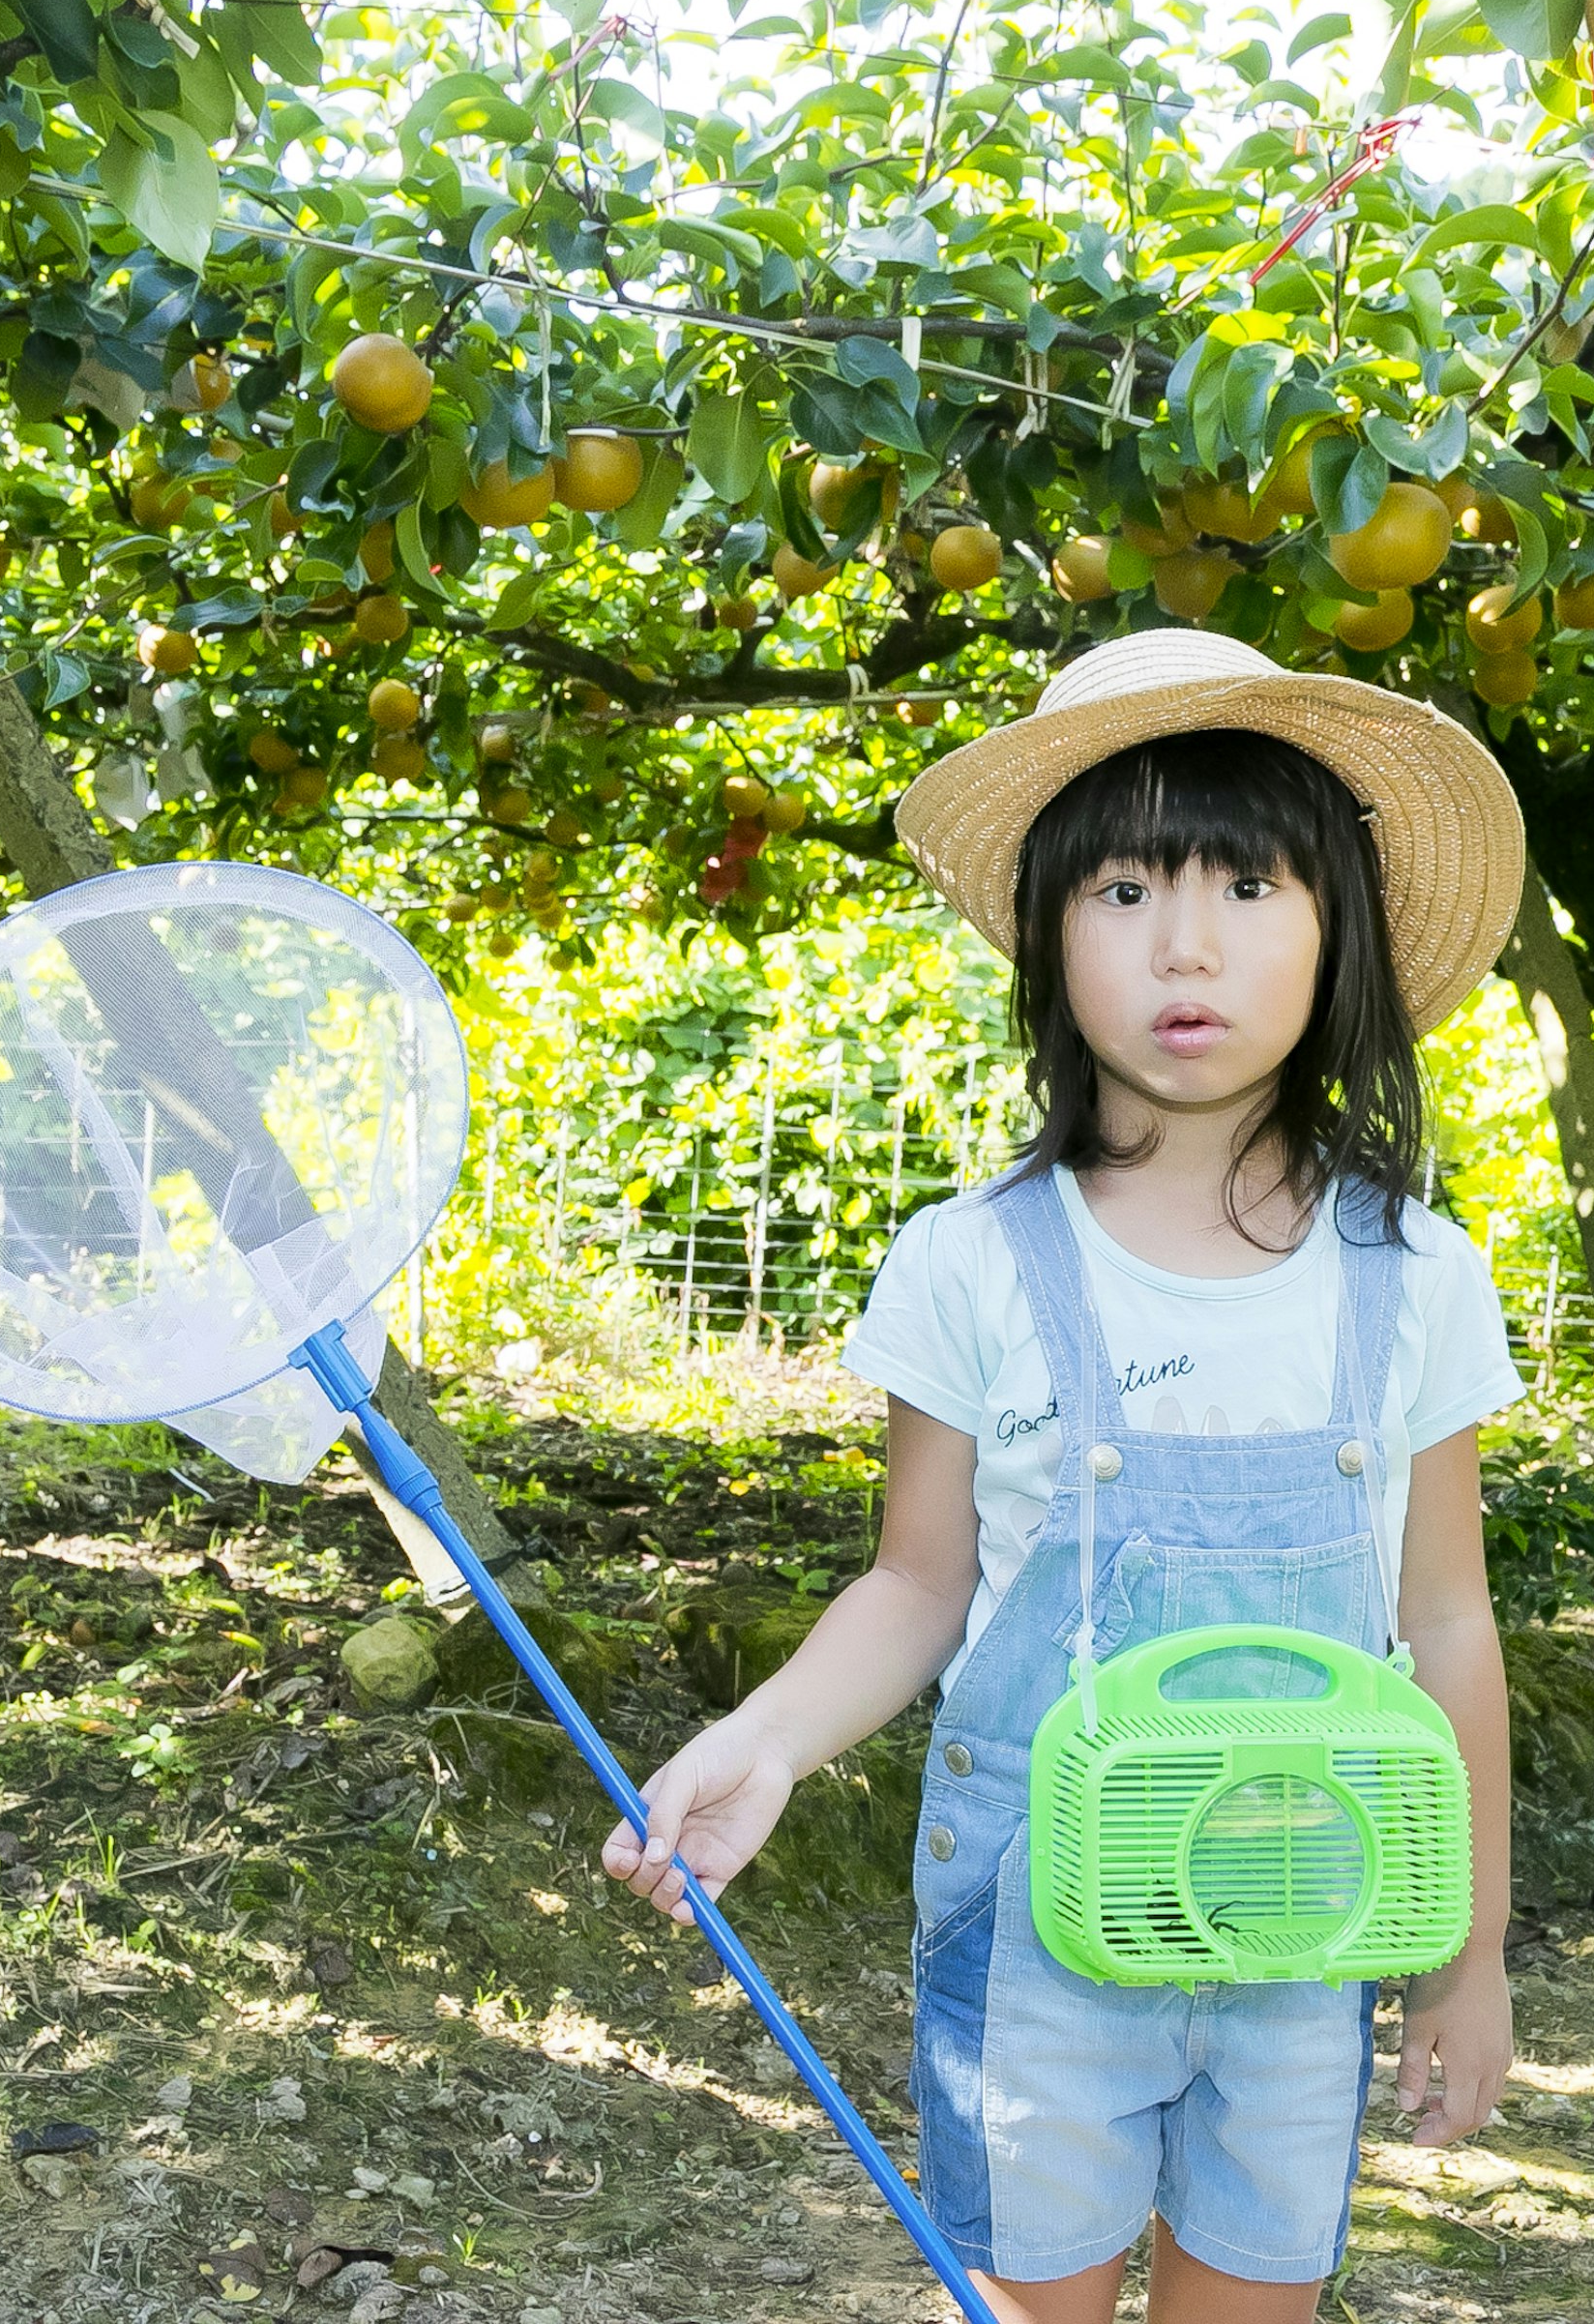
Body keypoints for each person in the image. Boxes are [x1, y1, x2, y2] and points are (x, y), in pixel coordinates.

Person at [599, 631, 1530, 2322]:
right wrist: (763, 1744)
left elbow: (1450, 1629)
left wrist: (1468, 1959)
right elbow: (918, 1586)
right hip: (1038, 1929)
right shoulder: (971, 1265)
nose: (1185, 943)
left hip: (1305, 1916)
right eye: (1120, 892)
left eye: (1249, 885)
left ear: (1343, 936)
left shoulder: (1415, 1272)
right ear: (1047, 940)